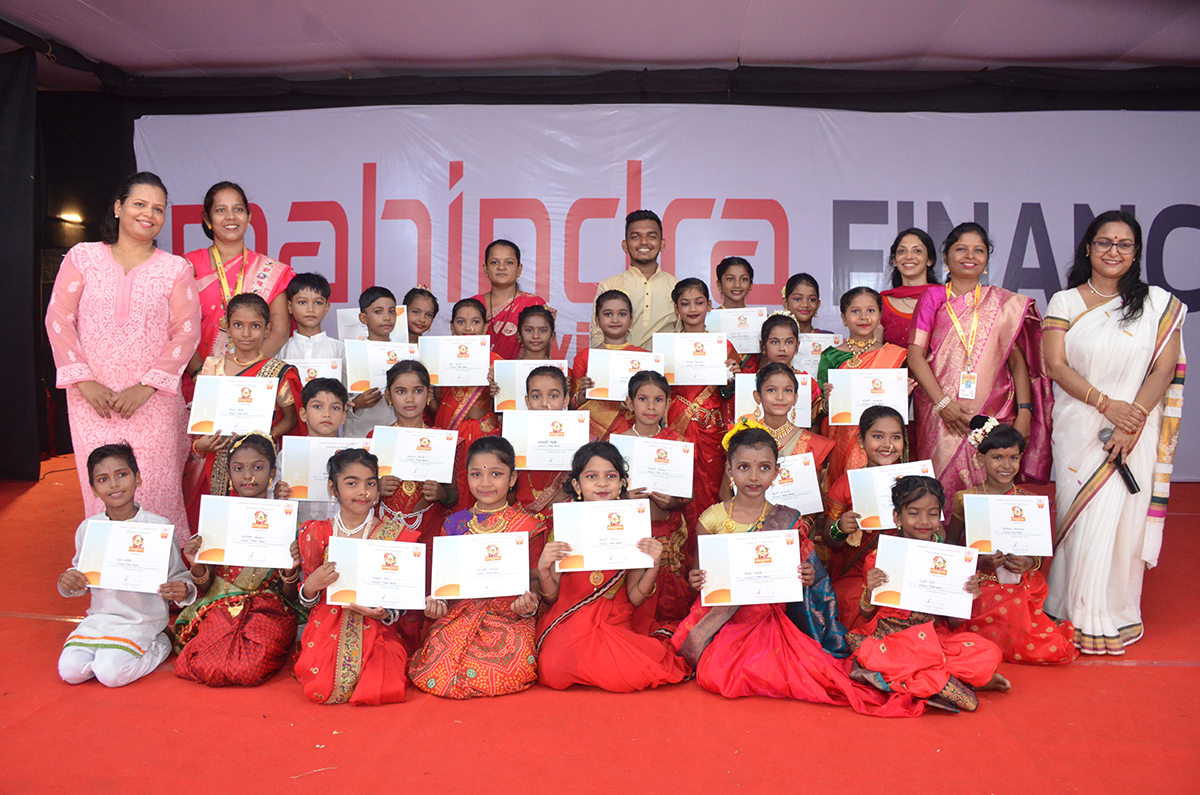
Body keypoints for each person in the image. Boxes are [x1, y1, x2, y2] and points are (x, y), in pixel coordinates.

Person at [671, 423, 922, 716]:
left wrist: (807, 576)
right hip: (722, 616)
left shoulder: (789, 519)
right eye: (743, 467)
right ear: (729, 469)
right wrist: (696, 580)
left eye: (764, 468)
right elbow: (698, 577)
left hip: (767, 616)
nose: (754, 477)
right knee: (716, 675)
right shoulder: (711, 519)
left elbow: (809, 580)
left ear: (777, 472)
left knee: (777, 669)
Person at [1043, 210, 1186, 655]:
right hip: (1080, 428)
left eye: (1124, 244)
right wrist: (1107, 406)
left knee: (1122, 523)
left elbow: (1163, 370)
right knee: (1081, 518)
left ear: (1136, 253)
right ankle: (1071, 609)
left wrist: (1133, 419)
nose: (1113, 251)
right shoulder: (1065, 302)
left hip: (1136, 430)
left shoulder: (1157, 305)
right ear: (1088, 247)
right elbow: (1056, 365)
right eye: (1105, 242)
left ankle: (1114, 613)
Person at [45, 172, 201, 540]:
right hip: (91, 400)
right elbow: (58, 319)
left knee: (156, 487)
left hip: (153, 401)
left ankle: (164, 571)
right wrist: (84, 381)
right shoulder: (83, 258)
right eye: (139, 204)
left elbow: (187, 332)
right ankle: (108, 568)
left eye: (158, 209)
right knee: (104, 485)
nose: (149, 214)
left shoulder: (175, 269)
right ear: (118, 207)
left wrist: (146, 387)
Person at [907, 222, 1052, 503]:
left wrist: (1024, 412)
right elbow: (915, 356)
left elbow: (1018, 363)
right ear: (946, 256)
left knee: (992, 489)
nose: (970, 256)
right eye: (961, 249)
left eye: (979, 250)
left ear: (986, 259)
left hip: (995, 411)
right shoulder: (933, 297)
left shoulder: (1002, 303)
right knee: (940, 492)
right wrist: (943, 404)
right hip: (940, 414)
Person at [535, 442, 688, 691]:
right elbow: (552, 598)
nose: (602, 484)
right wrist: (543, 570)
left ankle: (593, 662)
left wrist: (653, 565)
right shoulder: (567, 525)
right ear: (577, 485)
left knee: (632, 676)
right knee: (553, 672)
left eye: (611, 476)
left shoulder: (633, 524)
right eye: (591, 476)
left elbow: (635, 597)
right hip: (571, 616)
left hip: (614, 620)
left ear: (622, 483)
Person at [848, 476, 1009, 712]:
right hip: (891, 638)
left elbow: (953, 623)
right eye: (914, 513)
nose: (924, 521)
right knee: (891, 656)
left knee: (988, 652)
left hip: (933, 639)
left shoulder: (952, 559)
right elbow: (865, 614)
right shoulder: (881, 557)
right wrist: (869, 590)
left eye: (932, 514)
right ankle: (948, 681)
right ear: (897, 517)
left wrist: (966, 596)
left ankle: (923, 679)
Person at [409, 436, 547, 698]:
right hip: (462, 612)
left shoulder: (529, 527)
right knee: (436, 666)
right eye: (476, 474)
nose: (485, 483)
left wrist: (529, 603)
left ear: (512, 478)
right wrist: (439, 602)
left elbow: (535, 583)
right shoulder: (453, 525)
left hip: (510, 615)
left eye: (496, 474)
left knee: (507, 668)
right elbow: (446, 584)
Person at [57, 444, 195, 687]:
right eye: (103, 479)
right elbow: (81, 577)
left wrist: (183, 589)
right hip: (101, 618)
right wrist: (69, 581)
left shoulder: (159, 527)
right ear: (93, 489)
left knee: (111, 674)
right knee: (70, 671)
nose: (114, 484)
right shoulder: (89, 529)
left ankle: (162, 641)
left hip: (143, 620)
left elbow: (178, 575)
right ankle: (106, 653)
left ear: (137, 478)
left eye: (122, 474)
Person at [946, 416, 1077, 664]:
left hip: (1019, 583)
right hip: (981, 581)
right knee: (980, 612)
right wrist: (978, 563)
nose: (1006, 465)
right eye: (997, 457)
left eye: (1013, 458)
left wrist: (1028, 563)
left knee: (1024, 623)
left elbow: (1039, 554)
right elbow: (951, 546)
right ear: (980, 459)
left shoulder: (1029, 501)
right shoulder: (966, 498)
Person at [175, 433, 302, 686]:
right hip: (222, 605)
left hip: (271, 609)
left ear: (272, 472)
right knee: (202, 663)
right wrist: (195, 563)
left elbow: (289, 595)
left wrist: (291, 571)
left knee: (248, 668)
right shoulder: (218, 519)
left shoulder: (286, 522)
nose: (248, 476)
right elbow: (207, 586)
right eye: (239, 468)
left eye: (258, 467)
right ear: (229, 473)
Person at [294, 447, 418, 705]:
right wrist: (310, 587)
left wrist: (384, 614)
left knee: (381, 684)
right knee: (323, 686)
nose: (363, 492)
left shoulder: (395, 535)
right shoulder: (315, 532)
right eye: (352, 483)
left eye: (370, 483)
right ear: (333, 488)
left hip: (378, 626)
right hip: (327, 624)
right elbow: (308, 601)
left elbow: (403, 601)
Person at [183, 293, 304, 535]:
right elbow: (202, 425)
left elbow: (292, 419)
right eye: (238, 325)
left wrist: (266, 435)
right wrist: (200, 446)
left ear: (267, 329)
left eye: (255, 326)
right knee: (220, 531)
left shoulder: (278, 372)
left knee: (257, 529)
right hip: (217, 463)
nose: (246, 334)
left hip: (260, 463)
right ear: (227, 327)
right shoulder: (212, 367)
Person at [184, 181, 293, 384]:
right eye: (220, 210)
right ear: (207, 219)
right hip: (198, 381)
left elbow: (279, 331)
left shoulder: (272, 271)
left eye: (238, 209)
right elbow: (178, 328)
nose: (231, 217)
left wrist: (244, 372)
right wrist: (200, 372)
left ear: (248, 217)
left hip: (252, 382)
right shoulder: (187, 267)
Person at [616, 370, 694, 624]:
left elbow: (688, 494)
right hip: (630, 532)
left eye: (658, 400)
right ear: (629, 403)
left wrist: (672, 502)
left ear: (668, 403)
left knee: (668, 599)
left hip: (667, 532)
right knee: (632, 597)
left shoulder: (677, 443)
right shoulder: (617, 445)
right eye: (643, 399)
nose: (651, 406)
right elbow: (605, 490)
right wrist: (623, 496)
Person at [822, 405, 907, 628]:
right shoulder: (847, 484)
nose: (887, 445)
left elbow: (938, 533)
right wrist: (841, 528)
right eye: (878, 436)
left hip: (905, 570)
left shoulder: (915, 481)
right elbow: (829, 538)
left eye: (896, 437)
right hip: (857, 575)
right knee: (850, 601)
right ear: (861, 440)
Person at [666, 279, 739, 529]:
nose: (692, 309)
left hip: (712, 428)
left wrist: (731, 380)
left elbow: (728, 395)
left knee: (712, 485)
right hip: (677, 424)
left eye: (698, 302)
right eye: (685, 303)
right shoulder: (668, 347)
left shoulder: (724, 346)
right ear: (676, 308)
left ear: (709, 305)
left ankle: (711, 537)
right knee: (679, 484)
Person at [817, 287, 908, 487]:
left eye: (871, 311)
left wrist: (902, 395)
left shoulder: (895, 355)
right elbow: (819, 408)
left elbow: (896, 410)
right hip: (842, 437)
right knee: (845, 488)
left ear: (880, 316)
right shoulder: (830, 356)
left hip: (881, 438)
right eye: (855, 311)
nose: (864, 317)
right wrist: (827, 402)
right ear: (843, 317)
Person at [373, 361, 455, 577]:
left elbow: (454, 497)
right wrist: (376, 488)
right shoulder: (376, 439)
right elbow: (360, 492)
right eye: (401, 392)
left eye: (417, 391)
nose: (410, 399)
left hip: (428, 531)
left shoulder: (441, 440)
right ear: (389, 397)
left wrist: (441, 493)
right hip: (384, 531)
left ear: (429, 394)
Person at [723, 362, 833, 504]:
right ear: (757, 396)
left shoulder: (815, 444)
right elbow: (725, 492)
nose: (780, 397)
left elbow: (816, 501)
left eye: (787, 390)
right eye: (771, 390)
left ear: (795, 397)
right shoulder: (743, 438)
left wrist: (799, 519)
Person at [436, 298, 502, 512]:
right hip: (450, 433)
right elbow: (434, 403)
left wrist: (496, 391)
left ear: (485, 326)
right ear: (452, 326)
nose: (468, 328)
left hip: (484, 436)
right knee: (450, 489)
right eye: (461, 322)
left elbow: (504, 407)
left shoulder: (496, 362)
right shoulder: (441, 357)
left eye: (475, 321)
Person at [591, 210, 678, 348]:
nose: (644, 242)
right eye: (636, 237)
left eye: (651, 236)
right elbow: (597, 336)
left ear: (662, 244)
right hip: (620, 360)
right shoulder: (609, 285)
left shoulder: (676, 287)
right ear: (625, 245)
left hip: (664, 362)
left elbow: (682, 335)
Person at [274, 377, 351, 525]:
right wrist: (277, 493)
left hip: (340, 528)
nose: (327, 414)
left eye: (335, 408)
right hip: (299, 528)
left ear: (343, 417)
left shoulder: (352, 457)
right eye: (317, 406)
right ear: (303, 414)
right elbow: (275, 493)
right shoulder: (289, 455)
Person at [572, 289, 644, 439]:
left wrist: (634, 405)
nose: (615, 319)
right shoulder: (585, 358)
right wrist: (582, 395)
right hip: (592, 433)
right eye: (608, 314)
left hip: (631, 431)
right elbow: (571, 406)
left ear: (631, 321)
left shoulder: (643, 357)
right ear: (597, 321)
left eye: (622, 314)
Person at [510, 367, 574, 521]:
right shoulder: (515, 438)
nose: (545, 403)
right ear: (527, 401)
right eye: (537, 396)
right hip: (523, 519)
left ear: (566, 400)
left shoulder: (581, 439)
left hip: (564, 518)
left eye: (553, 396)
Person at [472, 239, 550, 360]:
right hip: (479, 370)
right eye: (494, 262)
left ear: (519, 269)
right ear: (485, 269)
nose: (501, 267)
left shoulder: (534, 303)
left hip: (523, 370)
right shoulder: (473, 305)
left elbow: (543, 352)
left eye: (509, 262)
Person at [346, 286, 402, 438]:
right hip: (359, 434)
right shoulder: (351, 354)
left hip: (395, 435)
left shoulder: (403, 355)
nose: (387, 317)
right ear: (363, 318)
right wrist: (357, 403)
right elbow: (338, 400)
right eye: (378, 312)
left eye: (392, 311)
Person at [880, 228, 940, 348]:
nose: (908, 256)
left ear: (929, 260)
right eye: (902, 251)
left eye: (917, 251)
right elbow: (873, 350)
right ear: (894, 261)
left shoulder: (944, 297)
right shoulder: (882, 302)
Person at [279, 272, 344, 362]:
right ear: (290, 307)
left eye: (318, 303)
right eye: (302, 302)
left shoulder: (340, 350)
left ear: (326, 308)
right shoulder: (281, 350)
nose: (310, 309)